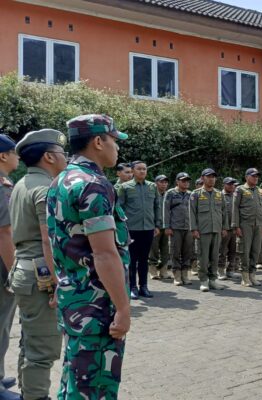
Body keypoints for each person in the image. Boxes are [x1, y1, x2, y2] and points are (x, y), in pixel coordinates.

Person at [47, 114, 131, 399]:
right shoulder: (93, 185)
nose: (117, 148)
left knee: (73, 384)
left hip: (73, 301)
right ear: (98, 141)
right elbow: (105, 253)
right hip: (97, 309)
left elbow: (58, 242)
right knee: (94, 389)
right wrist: (122, 308)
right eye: (114, 141)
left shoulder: (61, 180)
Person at [9, 129, 67, 399]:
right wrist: (56, 282)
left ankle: (28, 393)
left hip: (23, 269)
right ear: (48, 157)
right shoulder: (46, 188)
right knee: (43, 349)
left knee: (30, 342)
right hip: (40, 273)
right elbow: (48, 240)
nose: (64, 157)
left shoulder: (21, 184)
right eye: (61, 152)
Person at [116, 160, 161, 300]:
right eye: (139, 169)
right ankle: (132, 288)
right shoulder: (125, 187)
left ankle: (144, 287)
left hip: (148, 228)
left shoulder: (152, 187)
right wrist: (122, 227)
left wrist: (157, 225)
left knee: (143, 259)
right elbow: (119, 208)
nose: (142, 171)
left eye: (144, 169)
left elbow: (157, 207)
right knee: (132, 259)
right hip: (131, 229)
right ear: (133, 171)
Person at [0, 134, 19, 400]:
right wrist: (14, 272)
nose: (18, 156)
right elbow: (4, 232)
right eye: (14, 152)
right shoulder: (3, 186)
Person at [189, 168, 228, 292]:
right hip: (203, 231)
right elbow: (192, 213)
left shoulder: (219, 193)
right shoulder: (195, 194)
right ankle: (204, 281)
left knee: (215, 257)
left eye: (213, 177)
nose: (212, 179)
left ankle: (213, 280)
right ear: (202, 178)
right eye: (209, 176)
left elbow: (224, 212)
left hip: (216, 230)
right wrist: (194, 229)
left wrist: (225, 227)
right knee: (203, 257)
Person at [232, 168, 262, 287]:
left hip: (258, 224)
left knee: (255, 251)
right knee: (244, 251)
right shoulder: (240, 189)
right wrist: (236, 226)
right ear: (246, 177)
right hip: (245, 225)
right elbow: (235, 208)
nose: (256, 178)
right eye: (253, 176)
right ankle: (245, 277)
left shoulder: (259, 191)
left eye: (257, 176)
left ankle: (252, 275)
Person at [163, 172, 194, 286]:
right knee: (175, 251)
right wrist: (167, 226)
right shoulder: (170, 193)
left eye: (187, 180)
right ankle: (177, 275)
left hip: (188, 227)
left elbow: (194, 212)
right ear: (177, 181)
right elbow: (165, 211)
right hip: (175, 227)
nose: (186, 182)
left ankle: (185, 275)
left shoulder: (191, 194)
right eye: (183, 180)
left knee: (187, 252)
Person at [149, 174, 171, 280]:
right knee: (153, 248)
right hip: (154, 226)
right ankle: (152, 270)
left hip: (166, 226)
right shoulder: (151, 194)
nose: (164, 184)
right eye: (161, 182)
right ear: (156, 183)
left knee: (165, 249)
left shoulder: (169, 195)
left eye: (165, 182)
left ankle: (164, 270)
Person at [218, 177, 238, 281]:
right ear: (224, 184)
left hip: (234, 228)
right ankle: (220, 270)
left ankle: (230, 270)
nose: (231, 186)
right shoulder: (219, 195)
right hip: (224, 229)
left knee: (233, 251)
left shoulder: (235, 196)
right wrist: (222, 227)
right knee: (222, 250)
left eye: (233, 184)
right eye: (229, 184)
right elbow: (219, 213)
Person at [191, 177, 204, 275]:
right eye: (199, 183)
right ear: (196, 185)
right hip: (192, 226)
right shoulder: (193, 194)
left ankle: (199, 267)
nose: (201, 185)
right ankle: (193, 267)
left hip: (203, 228)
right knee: (194, 249)